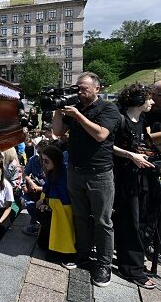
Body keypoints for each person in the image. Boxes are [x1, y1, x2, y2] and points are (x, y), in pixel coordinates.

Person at [52, 71, 120, 287]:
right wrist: (58, 111)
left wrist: (78, 116)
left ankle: (103, 264)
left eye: (84, 88)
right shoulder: (75, 106)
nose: (79, 92)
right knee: (80, 216)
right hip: (75, 171)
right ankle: (82, 254)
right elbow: (57, 133)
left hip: (99, 173)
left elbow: (101, 135)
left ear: (97, 89)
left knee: (102, 221)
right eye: (77, 88)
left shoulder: (108, 108)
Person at [112, 84, 158, 289]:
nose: (153, 102)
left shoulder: (142, 120)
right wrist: (131, 155)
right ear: (139, 100)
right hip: (126, 179)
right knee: (130, 222)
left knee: (140, 221)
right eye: (149, 98)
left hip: (142, 177)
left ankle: (133, 263)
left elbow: (145, 145)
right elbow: (107, 145)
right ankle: (132, 269)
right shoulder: (121, 120)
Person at [34, 145, 76, 268]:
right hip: (53, 210)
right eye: (42, 160)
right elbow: (48, 191)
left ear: (55, 160)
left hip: (62, 212)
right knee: (42, 244)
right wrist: (44, 202)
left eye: (46, 161)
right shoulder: (54, 172)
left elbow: (62, 197)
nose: (43, 163)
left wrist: (46, 204)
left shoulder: (64, 174)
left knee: (55, 247)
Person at [21, 140, 49, 236]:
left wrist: (38, 188)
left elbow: (52, 185)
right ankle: (36, 218)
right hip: (34, 190)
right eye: (38, 152)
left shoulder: (50, 163)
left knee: (36, 205)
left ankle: (41, 224)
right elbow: (25, 173)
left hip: (46, 193)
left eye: (42, 153)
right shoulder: (34, 160)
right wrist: (29, 182)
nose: (40, 155)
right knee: (24, 201)